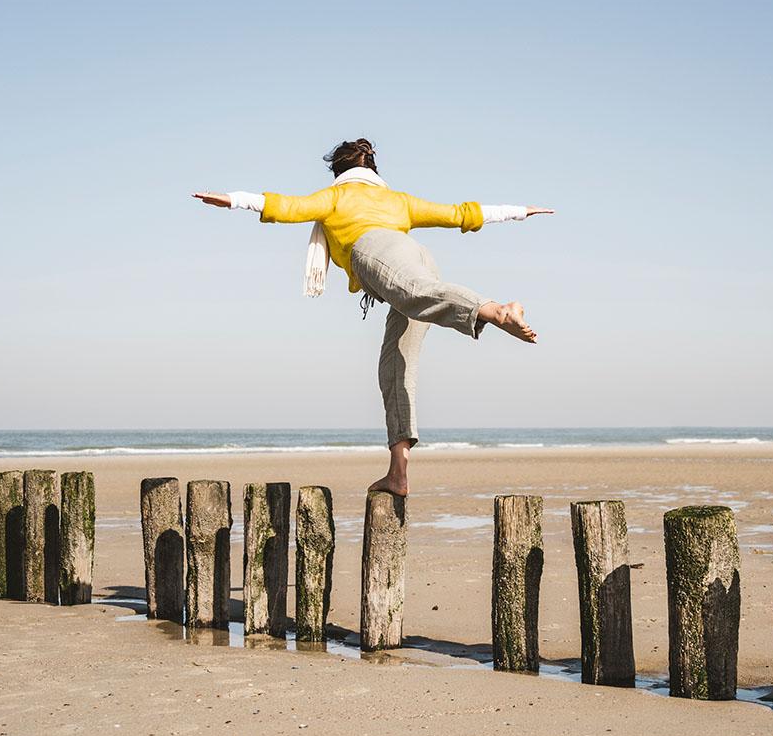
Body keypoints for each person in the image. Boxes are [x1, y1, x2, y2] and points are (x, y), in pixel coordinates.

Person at [193, 138, 553, 496]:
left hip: (376, 251)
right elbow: (459, 213)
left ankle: (493, 310)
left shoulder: (336, 196)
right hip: (418, 257)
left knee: (412, 292)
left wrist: (234, 200)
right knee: (395, 367)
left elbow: (288, 206)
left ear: (339, 171)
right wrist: (518, 210)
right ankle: (398, 474)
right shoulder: (397, 200)